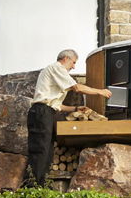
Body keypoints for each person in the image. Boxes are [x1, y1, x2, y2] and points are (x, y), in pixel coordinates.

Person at [26, 49, 111, 187]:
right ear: (66, 58)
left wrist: (76, 109)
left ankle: (41, 186)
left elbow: (58, 105)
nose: (73, 67)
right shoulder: (56, 68)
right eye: (73, 62)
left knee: (47, 151)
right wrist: (100, 91)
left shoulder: (54, 75)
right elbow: (76, 87)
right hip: (41, 112)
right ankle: (32, 187)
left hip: (48, 112)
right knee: (40, 150)